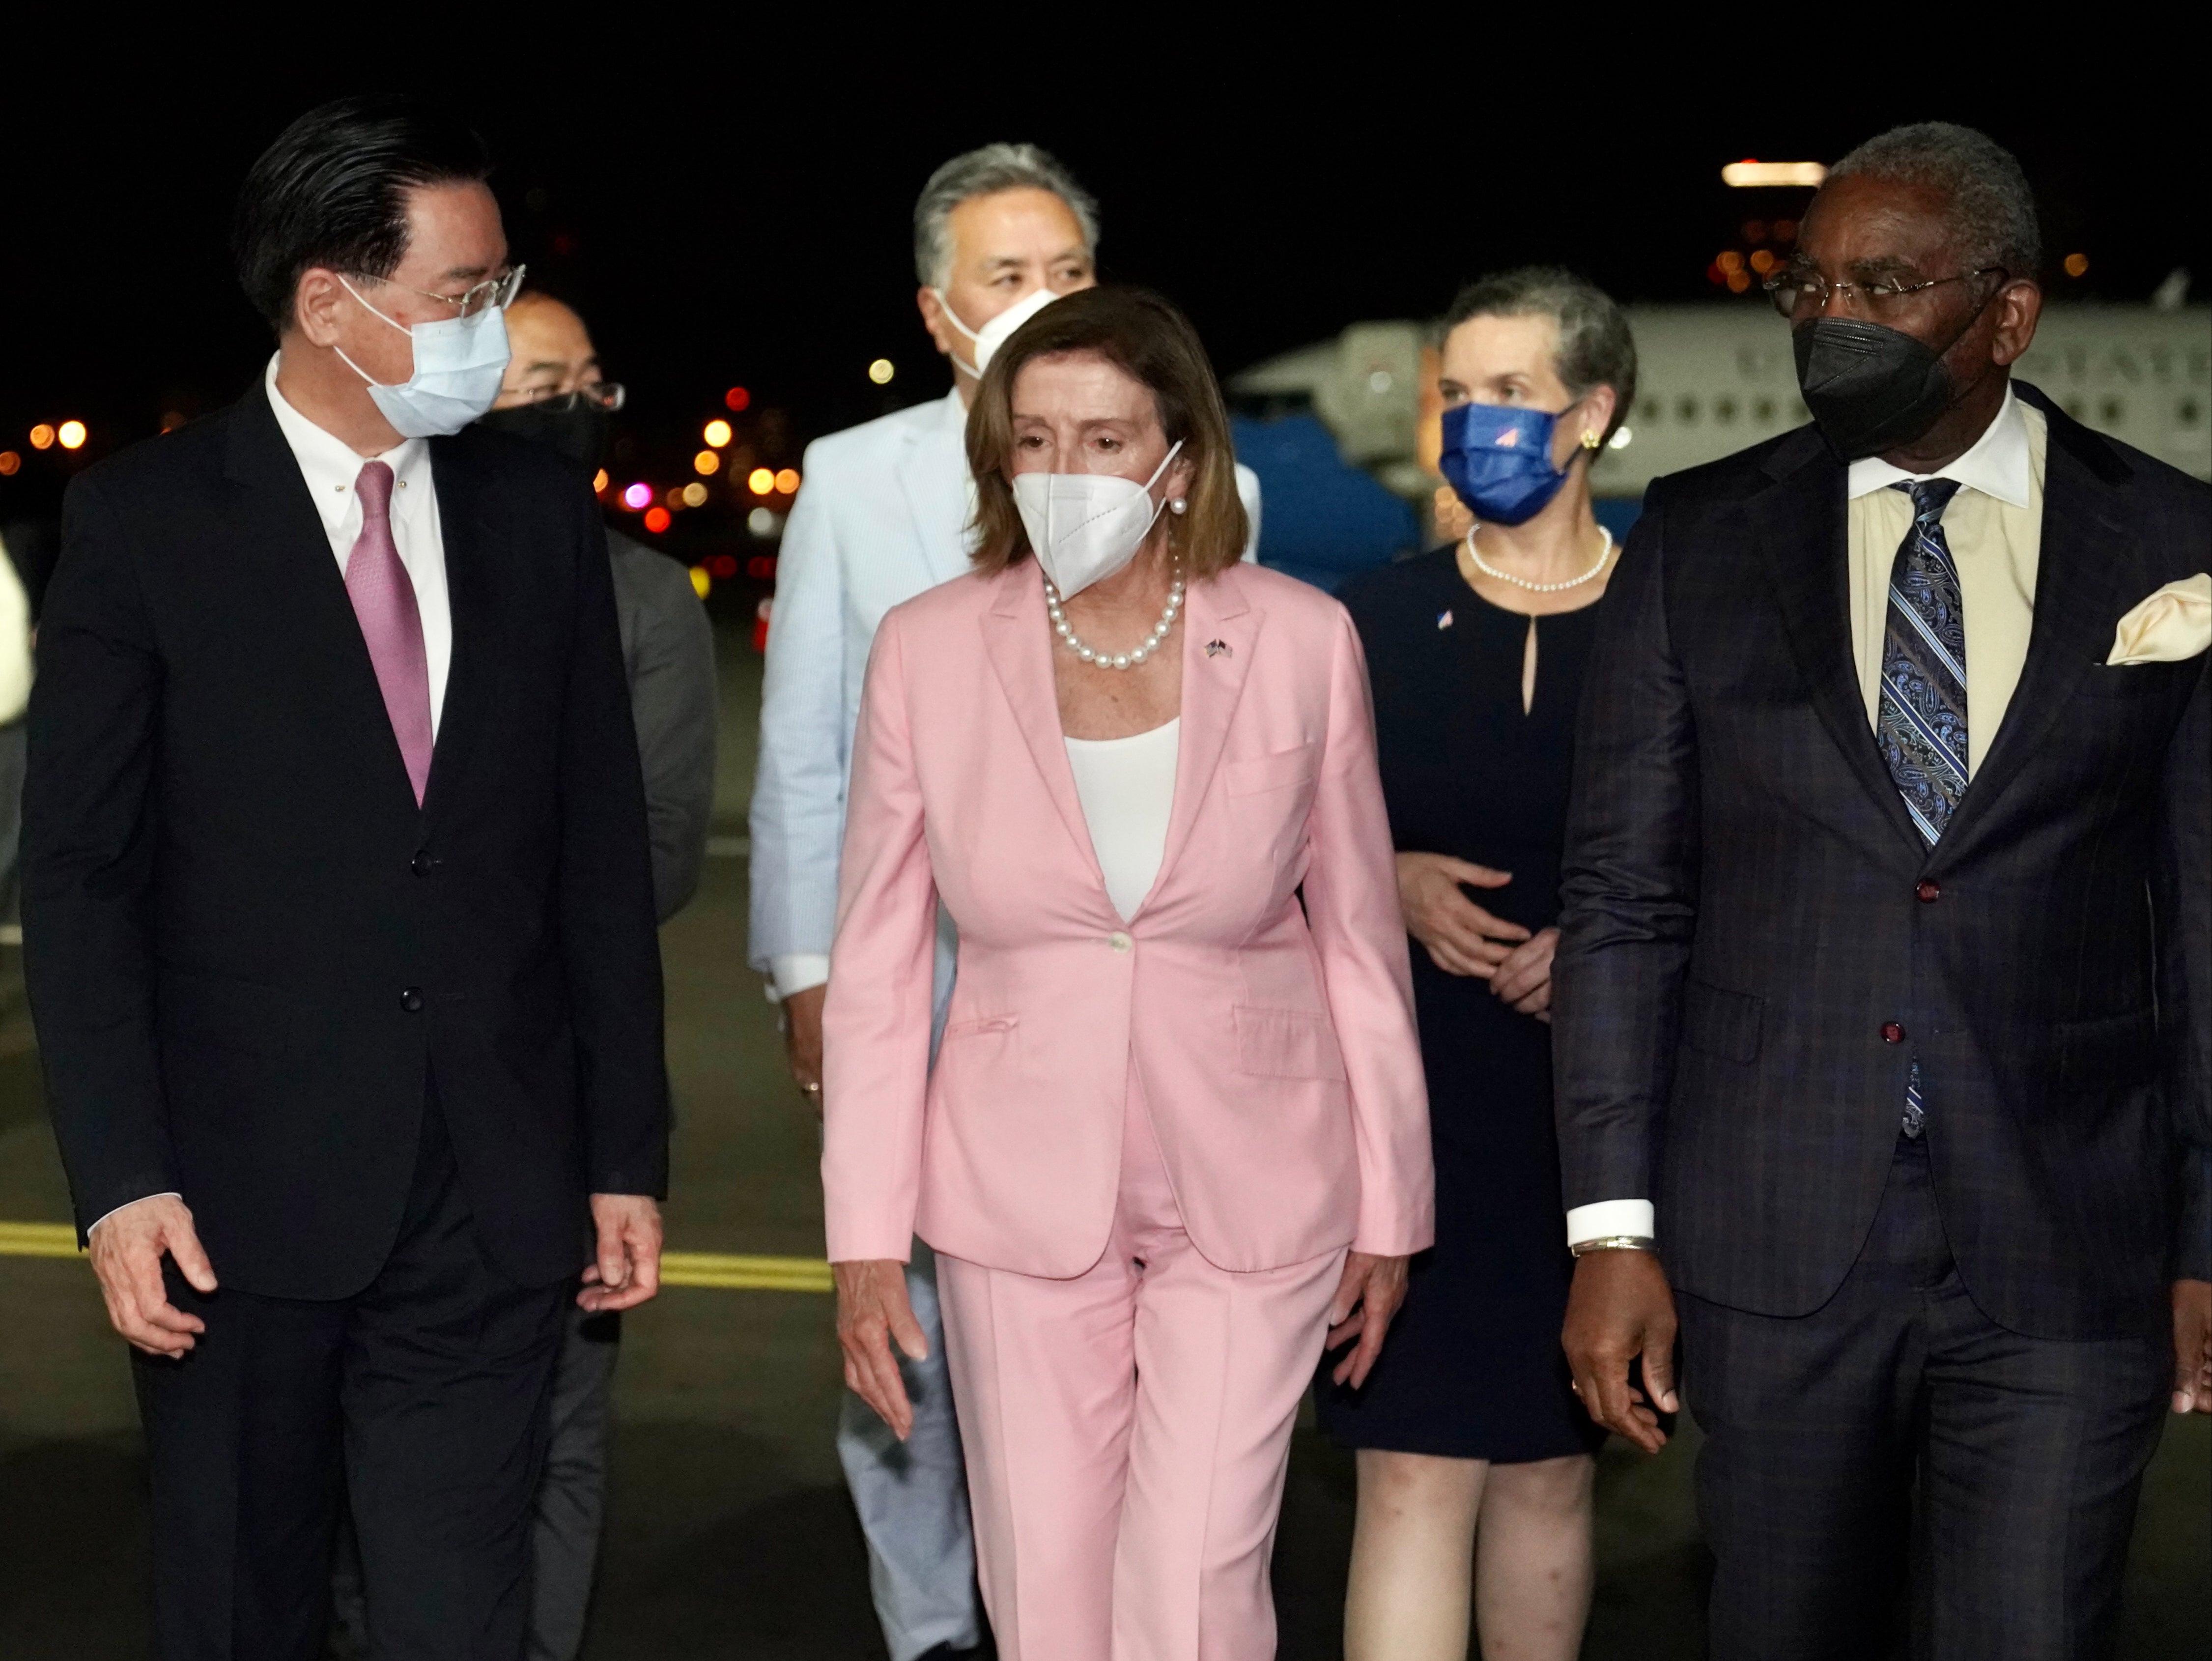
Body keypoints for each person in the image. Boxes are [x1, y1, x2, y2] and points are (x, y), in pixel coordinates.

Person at [22, 96, 669, 1661]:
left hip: (491, 1197)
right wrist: (120, 1178)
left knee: (462, 1617)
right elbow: (84, 876)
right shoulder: (147, 524)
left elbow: (595, 855)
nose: (492, 326)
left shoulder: (533, 515)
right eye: (464, 294)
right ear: (330, 302)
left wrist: (622, 1148)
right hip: (230, 1214)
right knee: (242, 1612)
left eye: (501, 288)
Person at [1554, 121, 2212, 1658]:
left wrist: (2205, 1233)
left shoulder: (2172, 541)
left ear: (2007, 313)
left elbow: (2202, 919)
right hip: (1774, 1237)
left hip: (2070, 1239)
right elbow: (1626, 902)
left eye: (1889, 284)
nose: (1835, 320)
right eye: (1813, 286)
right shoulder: (1702, 540)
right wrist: (1609, 1228)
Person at [823, 286, 1433, 1661]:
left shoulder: (1298, 640)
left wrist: (1393, 1201)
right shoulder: (927, 651)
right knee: (1043, 1584)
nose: (1063, 472)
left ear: (1182, 463)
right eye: (1033, 440)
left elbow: (1356, 935)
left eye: (1103, 440)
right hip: (1014, 1186)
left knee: (1196, 1578)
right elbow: (872, 961)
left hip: (1258, 1174)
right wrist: (866, 1238)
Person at [327, 287, 718, 1661]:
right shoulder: (357, 559)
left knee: (550, 1439)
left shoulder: (642, 595)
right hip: (357, 1100)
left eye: (592, 380)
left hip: (547, 1087)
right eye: (544, 379)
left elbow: (656, 856)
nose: (577, 406)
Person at [747, 140, 1098, 1661]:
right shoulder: (853, 475)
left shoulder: (1194, 472)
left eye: (1069, 276)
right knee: (912, 1335)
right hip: (917, 978)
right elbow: (807, 742)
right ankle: (932, 1622)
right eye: (1007, 279)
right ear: (939, 310)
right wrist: (805, 964)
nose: (1042, 303)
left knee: (1080, 1318)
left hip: (1103, 987)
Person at [1317, 269, 1633, 1661]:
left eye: (1513, 394)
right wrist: (1378, 881)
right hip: (1408, 1104)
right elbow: (1275, 844)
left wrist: (1616, 952)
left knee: (1555, 1467)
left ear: (1595, 413)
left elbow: (1748, 857)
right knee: (1410, 1467)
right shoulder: (1367, 623)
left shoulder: (1674, 620)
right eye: (1460, 392)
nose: (1474, 423)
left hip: (1595, 1110)